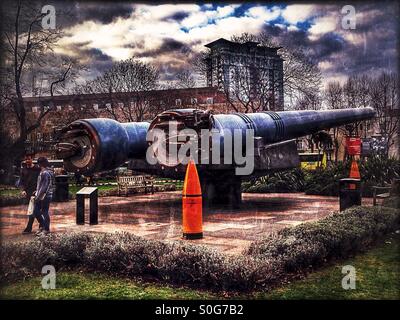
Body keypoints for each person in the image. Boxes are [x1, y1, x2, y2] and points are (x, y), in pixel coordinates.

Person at [32, 157, 55, 235]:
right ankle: (42, 226)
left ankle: (46, 229)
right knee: (36, 211)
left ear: (40, 164)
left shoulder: (45, 173)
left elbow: (44, 187)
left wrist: (38, 196)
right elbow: (41, 185)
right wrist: (37, 191)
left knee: (44, 211)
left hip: (45, 195)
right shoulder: (43, 172)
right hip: (42, 194)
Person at [19, 155, 41, 234]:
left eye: (28, 159)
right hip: (28, 193)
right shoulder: (23, 170)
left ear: (32, 159)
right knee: (32, 210)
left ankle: (29, 227)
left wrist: (38, 190)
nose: (27, 161)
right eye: (26, 159)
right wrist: (23, 190)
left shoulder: (37, 169)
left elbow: (40, 180)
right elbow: (21, 181)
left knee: (34, 210)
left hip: (36, 192)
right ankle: (41, 224)